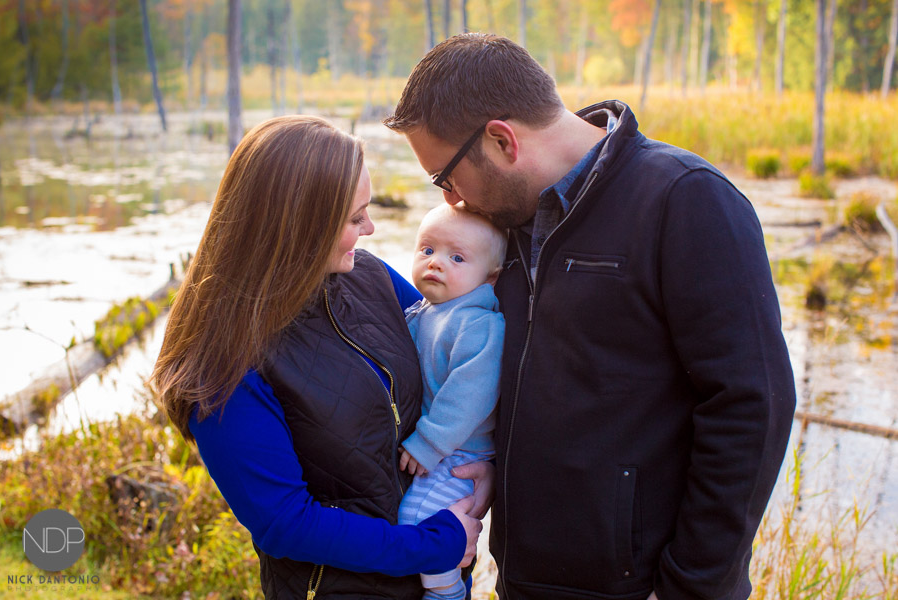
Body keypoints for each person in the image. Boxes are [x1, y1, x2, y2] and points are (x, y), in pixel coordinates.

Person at [384, 34, 796, 600]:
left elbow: (753, 406)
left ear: (502, 141)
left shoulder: (686, 199)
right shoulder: (509, 225)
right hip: (527, 581)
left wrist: (690, 588)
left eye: (446, 179)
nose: (452, 202)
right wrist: (496, 472)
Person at [151, 115, 492, 600]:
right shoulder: (222, 367)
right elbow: (286, 523)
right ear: (300, 225)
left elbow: (455, 352)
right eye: (355, 219)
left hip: (433, 578)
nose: (371, 229)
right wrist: (430, 544)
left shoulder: (368, 277)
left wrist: (481, 463)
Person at [396, 204, 506, 600]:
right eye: (426, 250)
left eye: (456, 258)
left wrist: (428, 442)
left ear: (490, 277)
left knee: (417, 521)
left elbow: (470, 393)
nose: (436, 263)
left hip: (459, 451)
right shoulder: (426, 311)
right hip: (441, 448)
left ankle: (446, 594)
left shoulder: (477, 323)